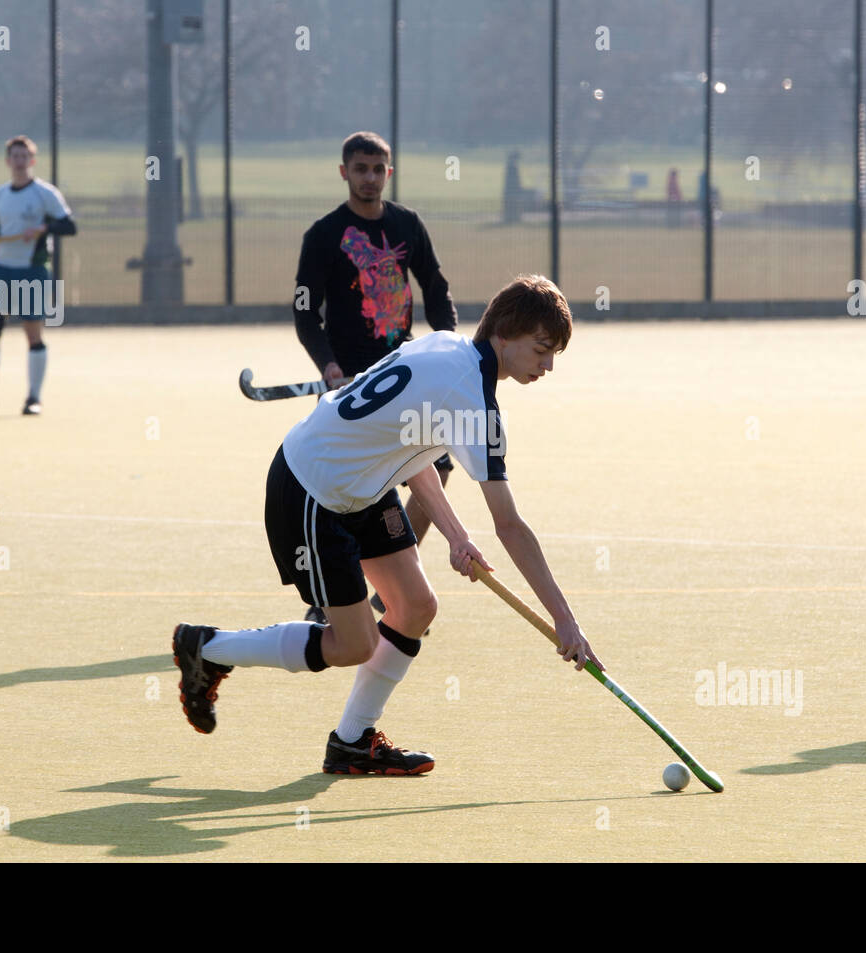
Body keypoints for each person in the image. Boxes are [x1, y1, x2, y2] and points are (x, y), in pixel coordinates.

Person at [173, 274, 603, 774]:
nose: (548, 366)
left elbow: (408, 446)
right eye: (542, 349)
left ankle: (352, 741)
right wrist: (564, 621)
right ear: (504, 335)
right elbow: (509, 525)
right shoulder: (474, 404)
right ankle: (207, 648)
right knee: (352, 644)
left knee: (415, 606)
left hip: (363, 485)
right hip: (313, 488)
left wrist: (456, 536)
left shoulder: (446, 347)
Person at [293, 131, 457, 623]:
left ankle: (389, 591)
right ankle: (333, 603)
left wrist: (448, 348)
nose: (369, 178)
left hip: (403, 378)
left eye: (377, 169)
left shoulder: (408, 225)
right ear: (344, 172)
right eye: (360, 169)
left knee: (438, 470)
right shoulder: (324, 235)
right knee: (347, 495)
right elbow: (305, 312)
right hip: (352, 390)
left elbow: (436, 289)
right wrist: (329, 367)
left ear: (390, 172)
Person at [0, 135, 76, 417]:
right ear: (8, 161)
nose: (20, 161)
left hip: (33, 269)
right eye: (15, 156)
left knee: (32, 333)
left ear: (32, 161)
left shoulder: (45, 193)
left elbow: (69, 226)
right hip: (3, 269)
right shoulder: (1, 194)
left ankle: (33, 398)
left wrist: (42, 229)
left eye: (25, 156)